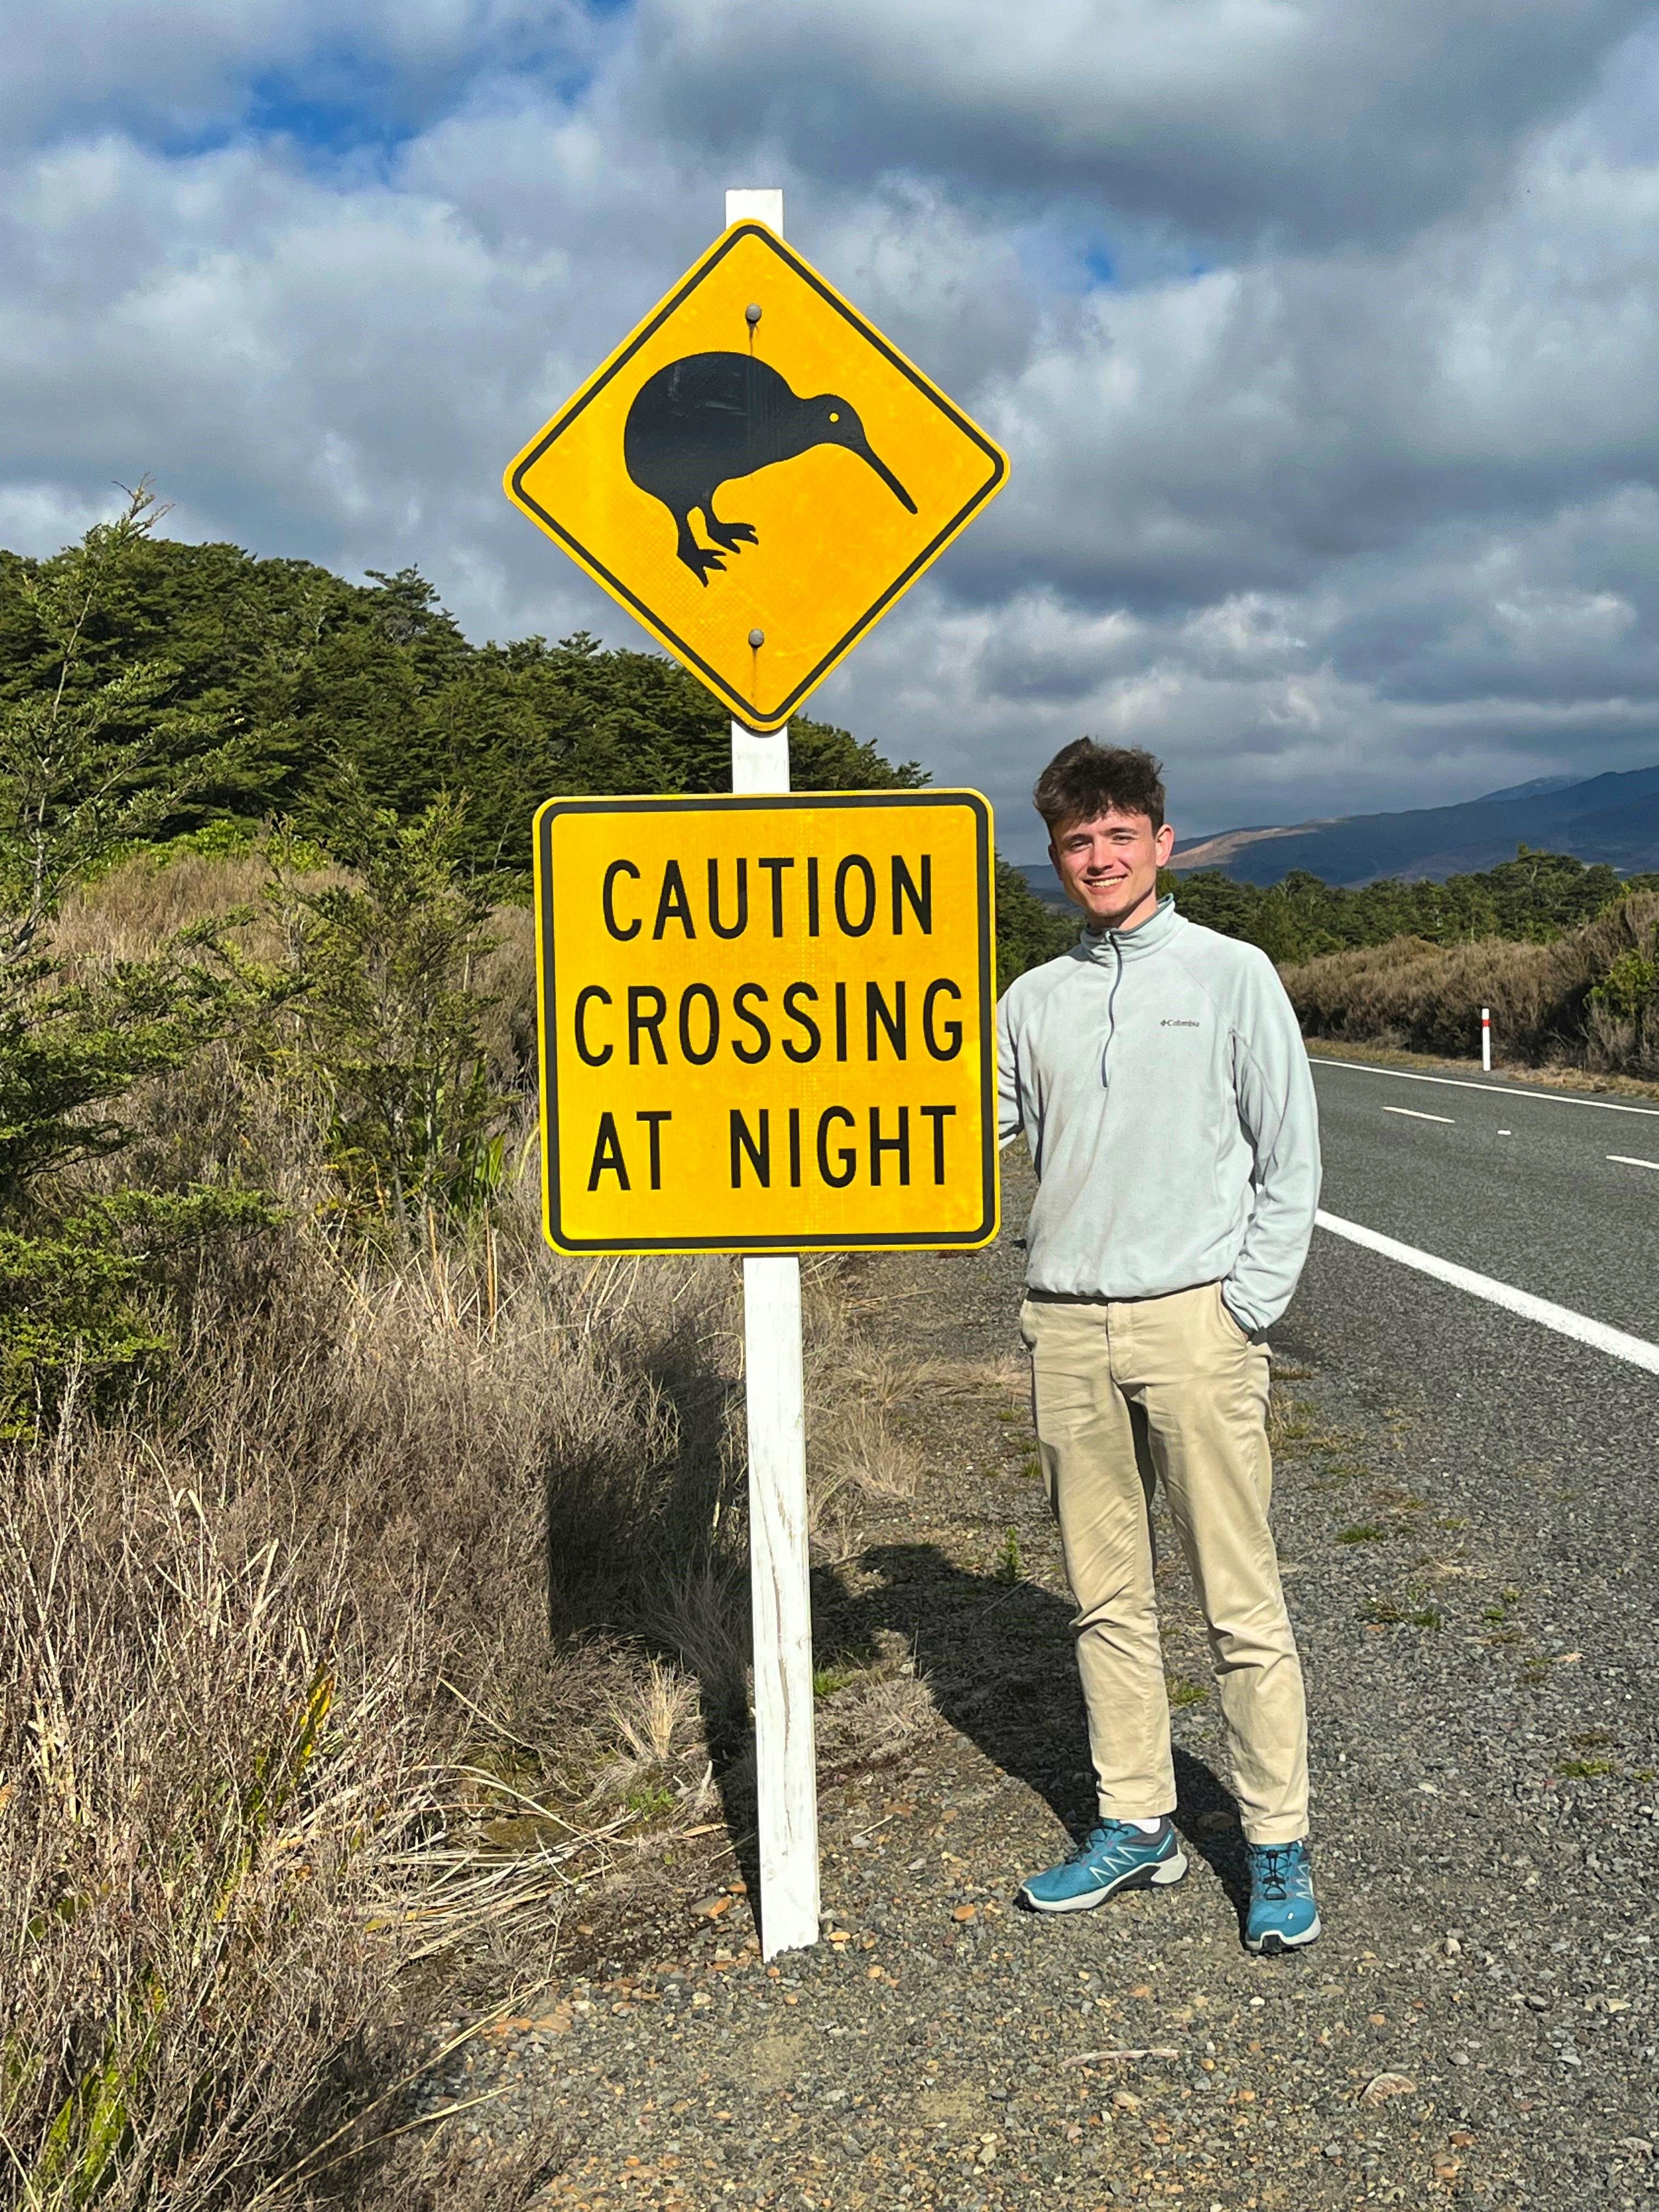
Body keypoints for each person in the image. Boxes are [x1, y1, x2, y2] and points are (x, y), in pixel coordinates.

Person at [997, 740, 1322, 1954]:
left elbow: (1289, 1159)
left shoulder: (1232, 975)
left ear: (1162, 842)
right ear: (1057, 858)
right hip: (1068, 1323)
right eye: (1078, 842)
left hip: (1198, 1319)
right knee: (1105, 1598)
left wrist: (1247, 1307)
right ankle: (1135, 1824)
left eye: (1119, 835)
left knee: (1239, 1595)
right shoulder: (1031, 1001)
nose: (1100, 856)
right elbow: (953, 1129)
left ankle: (1276, 1841)